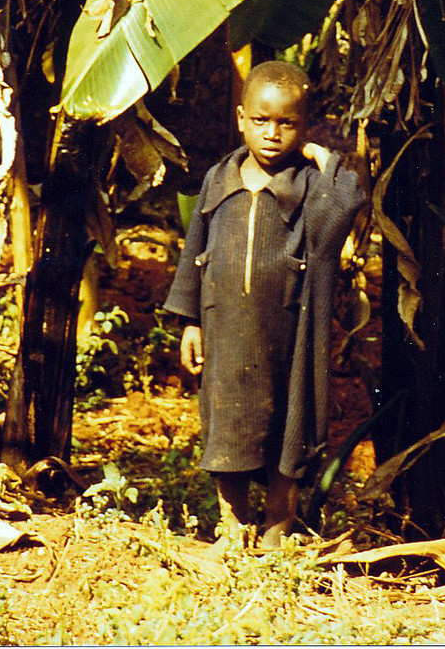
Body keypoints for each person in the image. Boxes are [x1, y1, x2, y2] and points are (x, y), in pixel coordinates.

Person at [164, 61, 365, 548]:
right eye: (261, 120)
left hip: (289, 332)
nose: (272, 133)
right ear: (241, 117)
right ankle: (233, 526)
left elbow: (350, 198)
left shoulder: (311, 185)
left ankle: (278, 527)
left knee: (287, 425)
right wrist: (190, 321)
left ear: (303, 126)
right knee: (227, 422)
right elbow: (196, 249)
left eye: (287, 123)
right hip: (225, 325)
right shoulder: (219, 178)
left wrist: (320, 154)